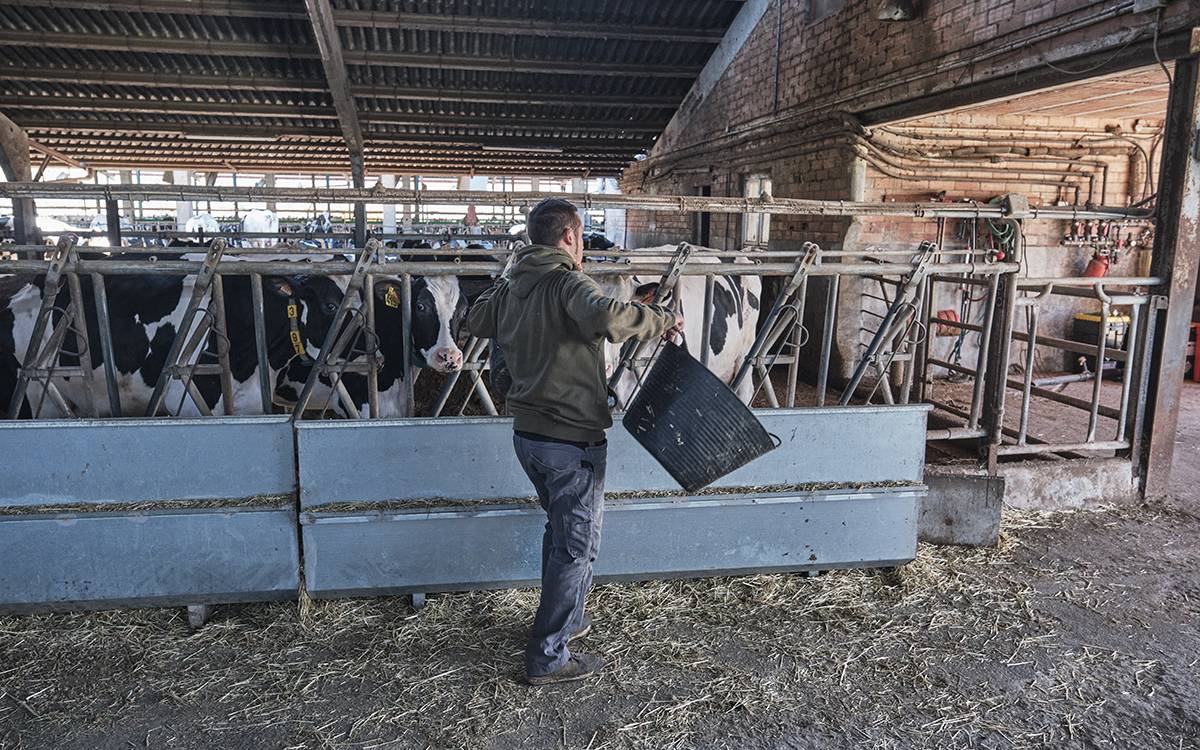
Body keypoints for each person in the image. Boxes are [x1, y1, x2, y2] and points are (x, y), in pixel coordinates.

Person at [467, 198, 682, 685]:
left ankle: (569, 617)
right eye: (581, 237)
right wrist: (663, 319)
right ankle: (548, 657)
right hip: (570, 440)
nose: (581, 246)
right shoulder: (567, 282)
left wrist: (506, 281)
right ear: (569, 237)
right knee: (575, 547)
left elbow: (477, 321)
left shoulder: (512, 284)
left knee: (562, 534)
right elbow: (610, 318)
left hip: (529, 438)